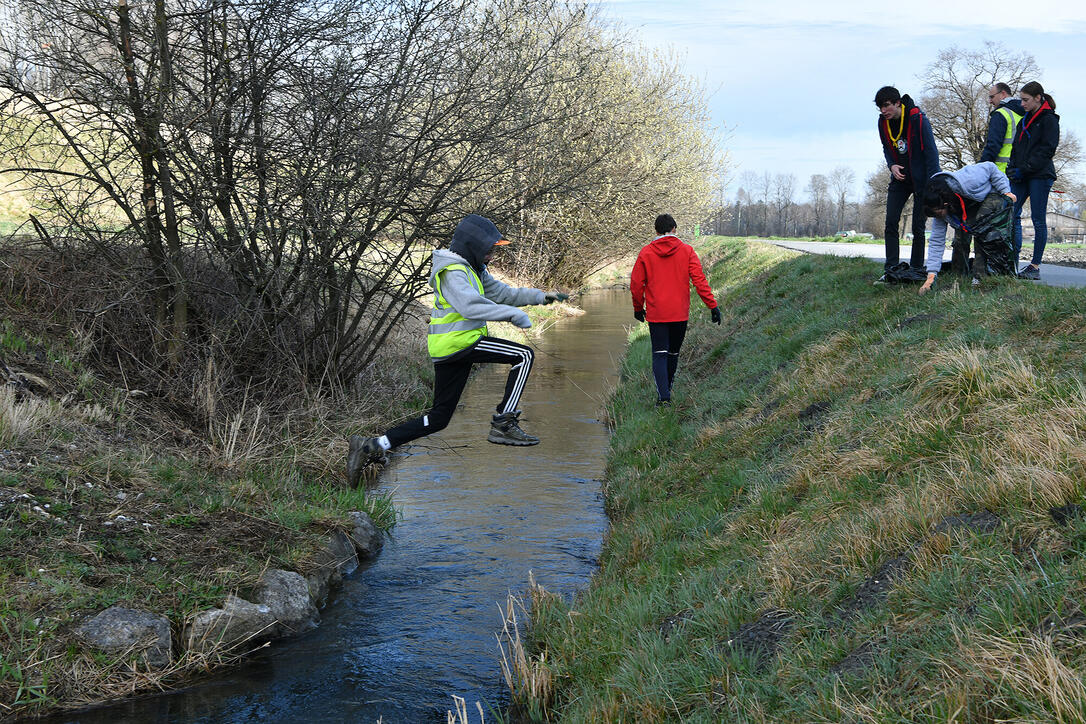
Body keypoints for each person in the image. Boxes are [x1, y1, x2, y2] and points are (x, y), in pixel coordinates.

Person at [346, 214, 567, 485]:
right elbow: (470, 306)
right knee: (524, 355)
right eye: (488, 251)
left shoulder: (472, 269)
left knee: (438, 419)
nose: (491, 257)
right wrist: (512, 315)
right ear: (472, 246)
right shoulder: (453, 271)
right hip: (459, 343)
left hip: (453, 347)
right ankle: (504, 424)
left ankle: (371, 446)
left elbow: (502, 294)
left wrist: (540, 297)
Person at [630, 213, 720, 406]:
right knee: (673, 354)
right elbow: (699, 281)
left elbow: (636, 284)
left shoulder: (646, 252)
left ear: (655, 231)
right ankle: (667, 391)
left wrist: (638, 308)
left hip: (657, 314)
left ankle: (664, 398)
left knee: (659, 354)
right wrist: (712, 306)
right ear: (674, 230)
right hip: (679, 314)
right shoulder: (687, 251)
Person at [917, 162, 1017, 295]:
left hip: (991, 197)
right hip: (962, 205)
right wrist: (930, 277)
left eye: (938, 213)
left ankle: (979, 278)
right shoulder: (939, 209)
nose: (939, 217)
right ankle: (959, 277)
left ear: (945, 204)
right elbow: (936, 242)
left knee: (982, 232)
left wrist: (1006, 191)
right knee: (959, 239)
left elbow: (991, 167)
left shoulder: (969, 180)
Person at [874, 86, 941, 280]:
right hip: (900, 179)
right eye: (880, 107)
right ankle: (891, 270)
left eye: (886, 106)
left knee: (918, 227)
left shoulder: (918, 119)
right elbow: (887, 147)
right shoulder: (882, 123)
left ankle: (916, 269)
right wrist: (892, 165)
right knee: (891, 222)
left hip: (921, 180)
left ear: (897, 103)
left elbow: (931, 153)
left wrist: (934, 184)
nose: (883, 111)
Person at [1007, 81, 1060, 280]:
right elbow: (1016, 147)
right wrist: (1012, 169)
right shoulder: (1024, 119)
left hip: (1039, 175)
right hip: (1021, 174)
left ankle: (1035, 266)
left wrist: (1025, 169)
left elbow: (1047, 149)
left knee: (1038, 219)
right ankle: (1011, 260)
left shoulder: (1049, 120)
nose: (1022, 104)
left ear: (1038, 98)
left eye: (1026, 100)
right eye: (1021, 100)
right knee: (1010, 213)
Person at [980, 82, 1024, 173]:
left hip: (999, 172)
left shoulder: (1001, 114)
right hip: (1020, 172)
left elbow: (993, 145)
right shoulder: (1025, 114)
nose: (990, 101)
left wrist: (981, 168)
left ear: (1003, 94)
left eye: (992, 97)